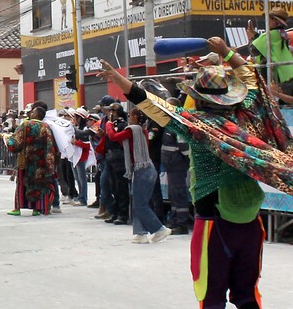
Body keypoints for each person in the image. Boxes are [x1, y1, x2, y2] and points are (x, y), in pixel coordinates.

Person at [98, 36, 293, 309]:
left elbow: (152, 104)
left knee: (211, 297)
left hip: (214, 224)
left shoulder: (196, 125)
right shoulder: (247, 115)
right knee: (247, 295)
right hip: (250, 224)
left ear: (199, 98)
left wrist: (119, 79)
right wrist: (226, 52)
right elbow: (251, 79)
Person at [106, 108, 172, 244]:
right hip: (145, 168)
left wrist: (108, 125)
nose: (129, 118)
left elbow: (113, 137)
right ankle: (140, 233)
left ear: (136, 117)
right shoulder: (142, 130)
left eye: (130, 115)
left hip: (143, 169)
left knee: (140, 204)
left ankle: (159, 229)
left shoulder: (133, 129)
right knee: (139, 203)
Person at [6, 106, 56, 216]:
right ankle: (36, 208)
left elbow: (16, 141)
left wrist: (6, 138)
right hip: (40, 162)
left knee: (21, 184)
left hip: (25, 160)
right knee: (39, 184)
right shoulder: (46, 127)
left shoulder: (25, 124)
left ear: (36, 114)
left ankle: (17, 208)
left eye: (33, 112)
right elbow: (50, 145)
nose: (31, 113)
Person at [160, 98, 191, 235]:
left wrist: (186, 160)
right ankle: (174, 220)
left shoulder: (177, 125)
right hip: (171, 165)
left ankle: (181, 223)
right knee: (173, 194)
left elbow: (184, 147)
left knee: (178, 193)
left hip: (177, 165)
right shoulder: (169, 124)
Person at [248, 7, 293, 92]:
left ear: (274, 21)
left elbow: (253, 49)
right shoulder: (281, 33)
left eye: (268, 19)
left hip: (277, 75)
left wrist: (251, 37)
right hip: (288, 72)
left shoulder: (269, 35)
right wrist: (256, 36)